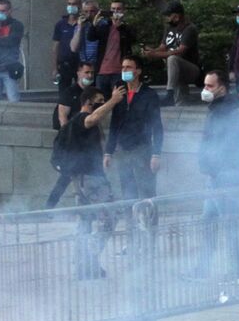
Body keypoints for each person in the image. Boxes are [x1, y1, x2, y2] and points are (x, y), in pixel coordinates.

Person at [56, 86, 123, 279]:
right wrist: (113, 100)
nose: (102, 104)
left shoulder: (75, 123)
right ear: (87, 102)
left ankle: (83, 266)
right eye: (99, 101)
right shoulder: (80, 119)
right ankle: (88, 258)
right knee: (110, 216)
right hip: (91, 179)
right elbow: (91, 119)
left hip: (82, 179)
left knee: (85, 221)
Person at [195, 71, 239, 280]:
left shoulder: (228, 112)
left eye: (210, 86)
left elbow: (230, 144)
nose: (205, 90)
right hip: (215, 175)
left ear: (222, 88)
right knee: (209, 220)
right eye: (205, 85)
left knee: (229, 222)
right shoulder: (216, 109)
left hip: (225, 174)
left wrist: (214, 167)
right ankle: (203, 267)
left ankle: (238, 270)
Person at [104, 55, 164, 202]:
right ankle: (130, 216)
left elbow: (157, 126)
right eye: (123, 67)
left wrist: (156, 154)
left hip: (142, 148)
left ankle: (148, 217)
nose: (124, 70)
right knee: (127, 191)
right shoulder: (119, 93)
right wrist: (108, 151)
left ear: (138, 71)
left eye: (129, 67)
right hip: (123, 148)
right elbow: (114, 124)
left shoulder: (149, 95)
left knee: (146, 191)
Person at [46, 64, 99, 209]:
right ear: (78, 73)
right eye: (86, 72)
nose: (89, 75)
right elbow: (62, 117)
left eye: (91, 72)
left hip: (87, 143)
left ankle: (82, 209)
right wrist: (69, 139)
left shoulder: (92, 93)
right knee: (67, 176)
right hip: (71, 143)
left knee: (79, 177)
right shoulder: (70, 92)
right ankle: (49, 207)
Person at [145, 1, 201, 106]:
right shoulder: (169, 28)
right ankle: (177, 102)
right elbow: (163, 47)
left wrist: (156, 55)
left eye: (169, 16)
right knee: (180, 101)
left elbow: (181, 51)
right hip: (174, 70)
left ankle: (169, 93)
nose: (167, 18)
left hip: (191, 68)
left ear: (177, 16)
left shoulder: (189, 29)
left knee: (172, 58)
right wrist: (152, 51)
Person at [90, 0, 136, 96]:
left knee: (120, 99)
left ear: (124, 11)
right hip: (102, 71)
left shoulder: (127, 28)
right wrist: (94, 24)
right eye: (113, 9)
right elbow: (91, 37)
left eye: (118, 9)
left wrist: (119, 27)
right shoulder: (105, 26)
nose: (115, 12)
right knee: (101, 100)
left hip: (119, 71)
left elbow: (132, 40)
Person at [52, 0, 84, 84]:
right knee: (64, 91)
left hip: (80, 64)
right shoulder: (60, 24)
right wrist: (54, 68)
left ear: (79, 6)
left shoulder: (83, 23)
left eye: (74, 4)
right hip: (64, 64)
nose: (71, 6)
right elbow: (55, 47)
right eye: (69, 4)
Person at [72, 0, 103, 73]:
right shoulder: (80, 26)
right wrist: (80, 28)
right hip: (84, 63)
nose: (89, 14)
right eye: (86, 12)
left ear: (97, 12)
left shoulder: (102, 25)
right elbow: (74, 48)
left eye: (92, 11)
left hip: (99, 63)